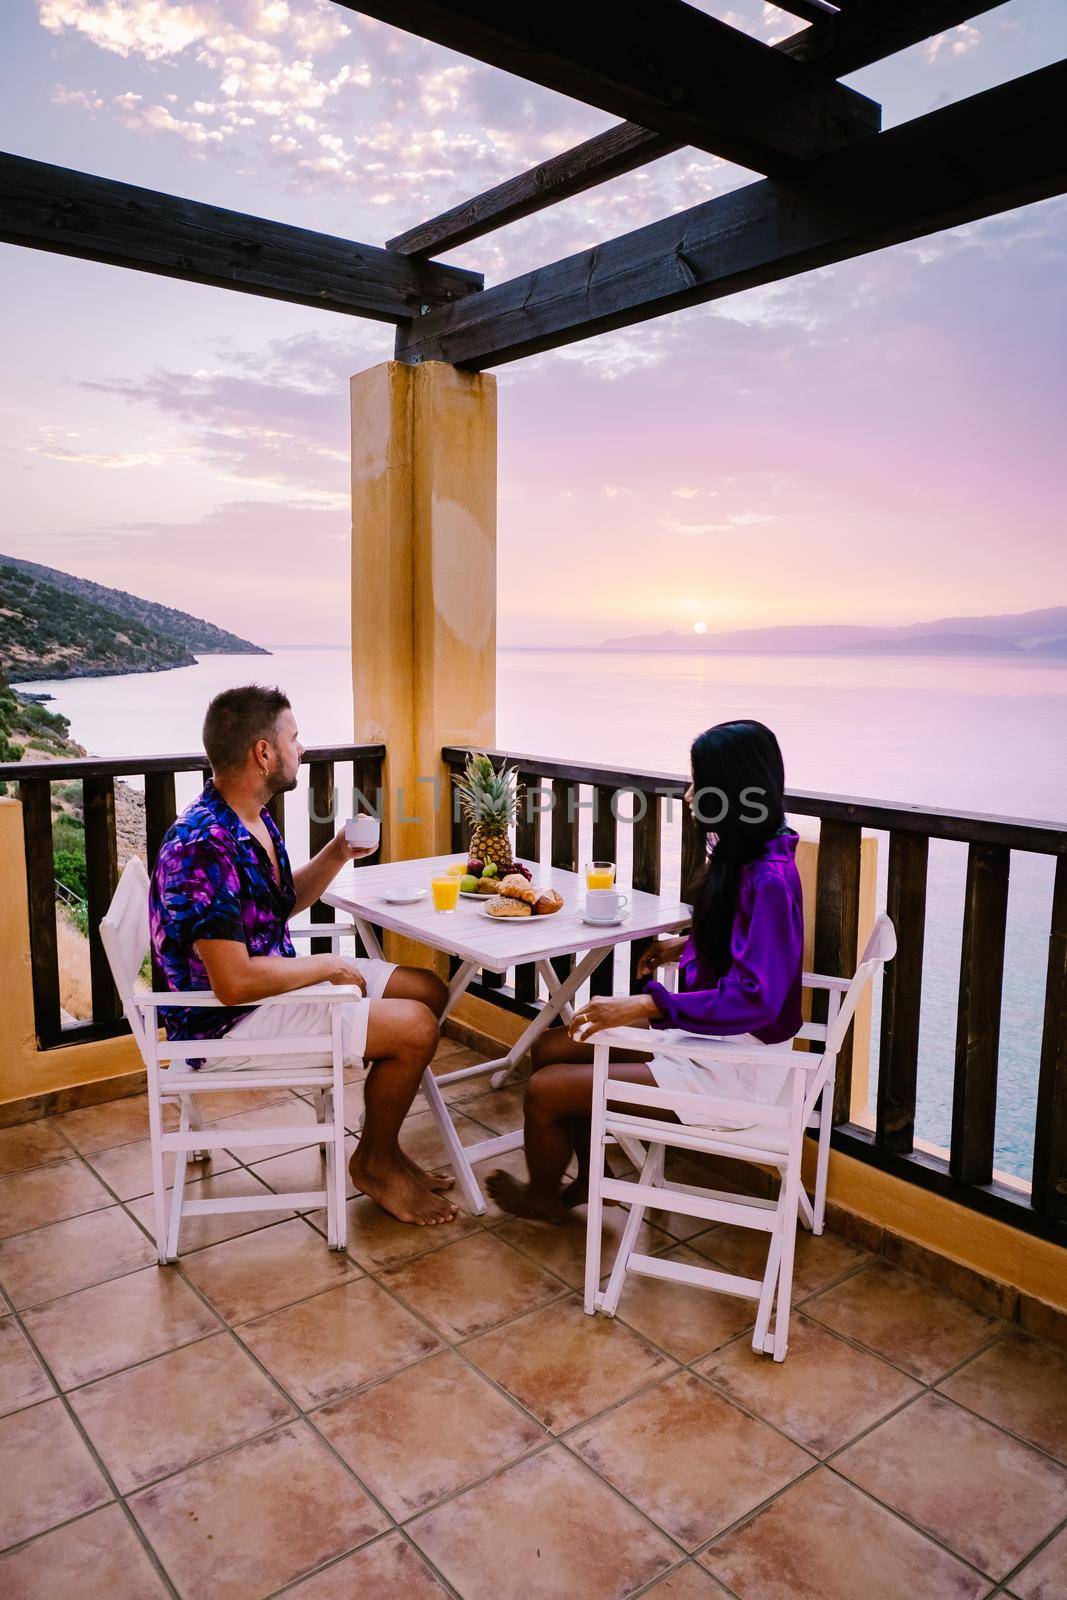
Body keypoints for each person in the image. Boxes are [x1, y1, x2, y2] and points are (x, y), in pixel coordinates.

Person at [150, 684, 458, 1227]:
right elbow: (234, 983)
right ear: (263, 754)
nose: (303, 749)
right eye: (294, 738)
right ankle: (376, 1163)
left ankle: (380, 1143)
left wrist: (338, 851)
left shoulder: (247, 816)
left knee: (427, 990)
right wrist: (330, 967)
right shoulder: (202, 845)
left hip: (271, 983)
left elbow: (278, 902)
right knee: (412, 1027)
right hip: (227, 1022)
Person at [487, 719, 804, 1222]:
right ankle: (593, 1180)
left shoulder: (768, 877)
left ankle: (541, 1201)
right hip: (714, 1043)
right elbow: (748, 947)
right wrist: (687, 945)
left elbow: (755, 998)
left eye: (699, 782)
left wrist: (645, 1004)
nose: (688, 793)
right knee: (551, 1047)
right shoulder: (747, 854)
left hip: (737, 1070)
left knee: (546, 1091)